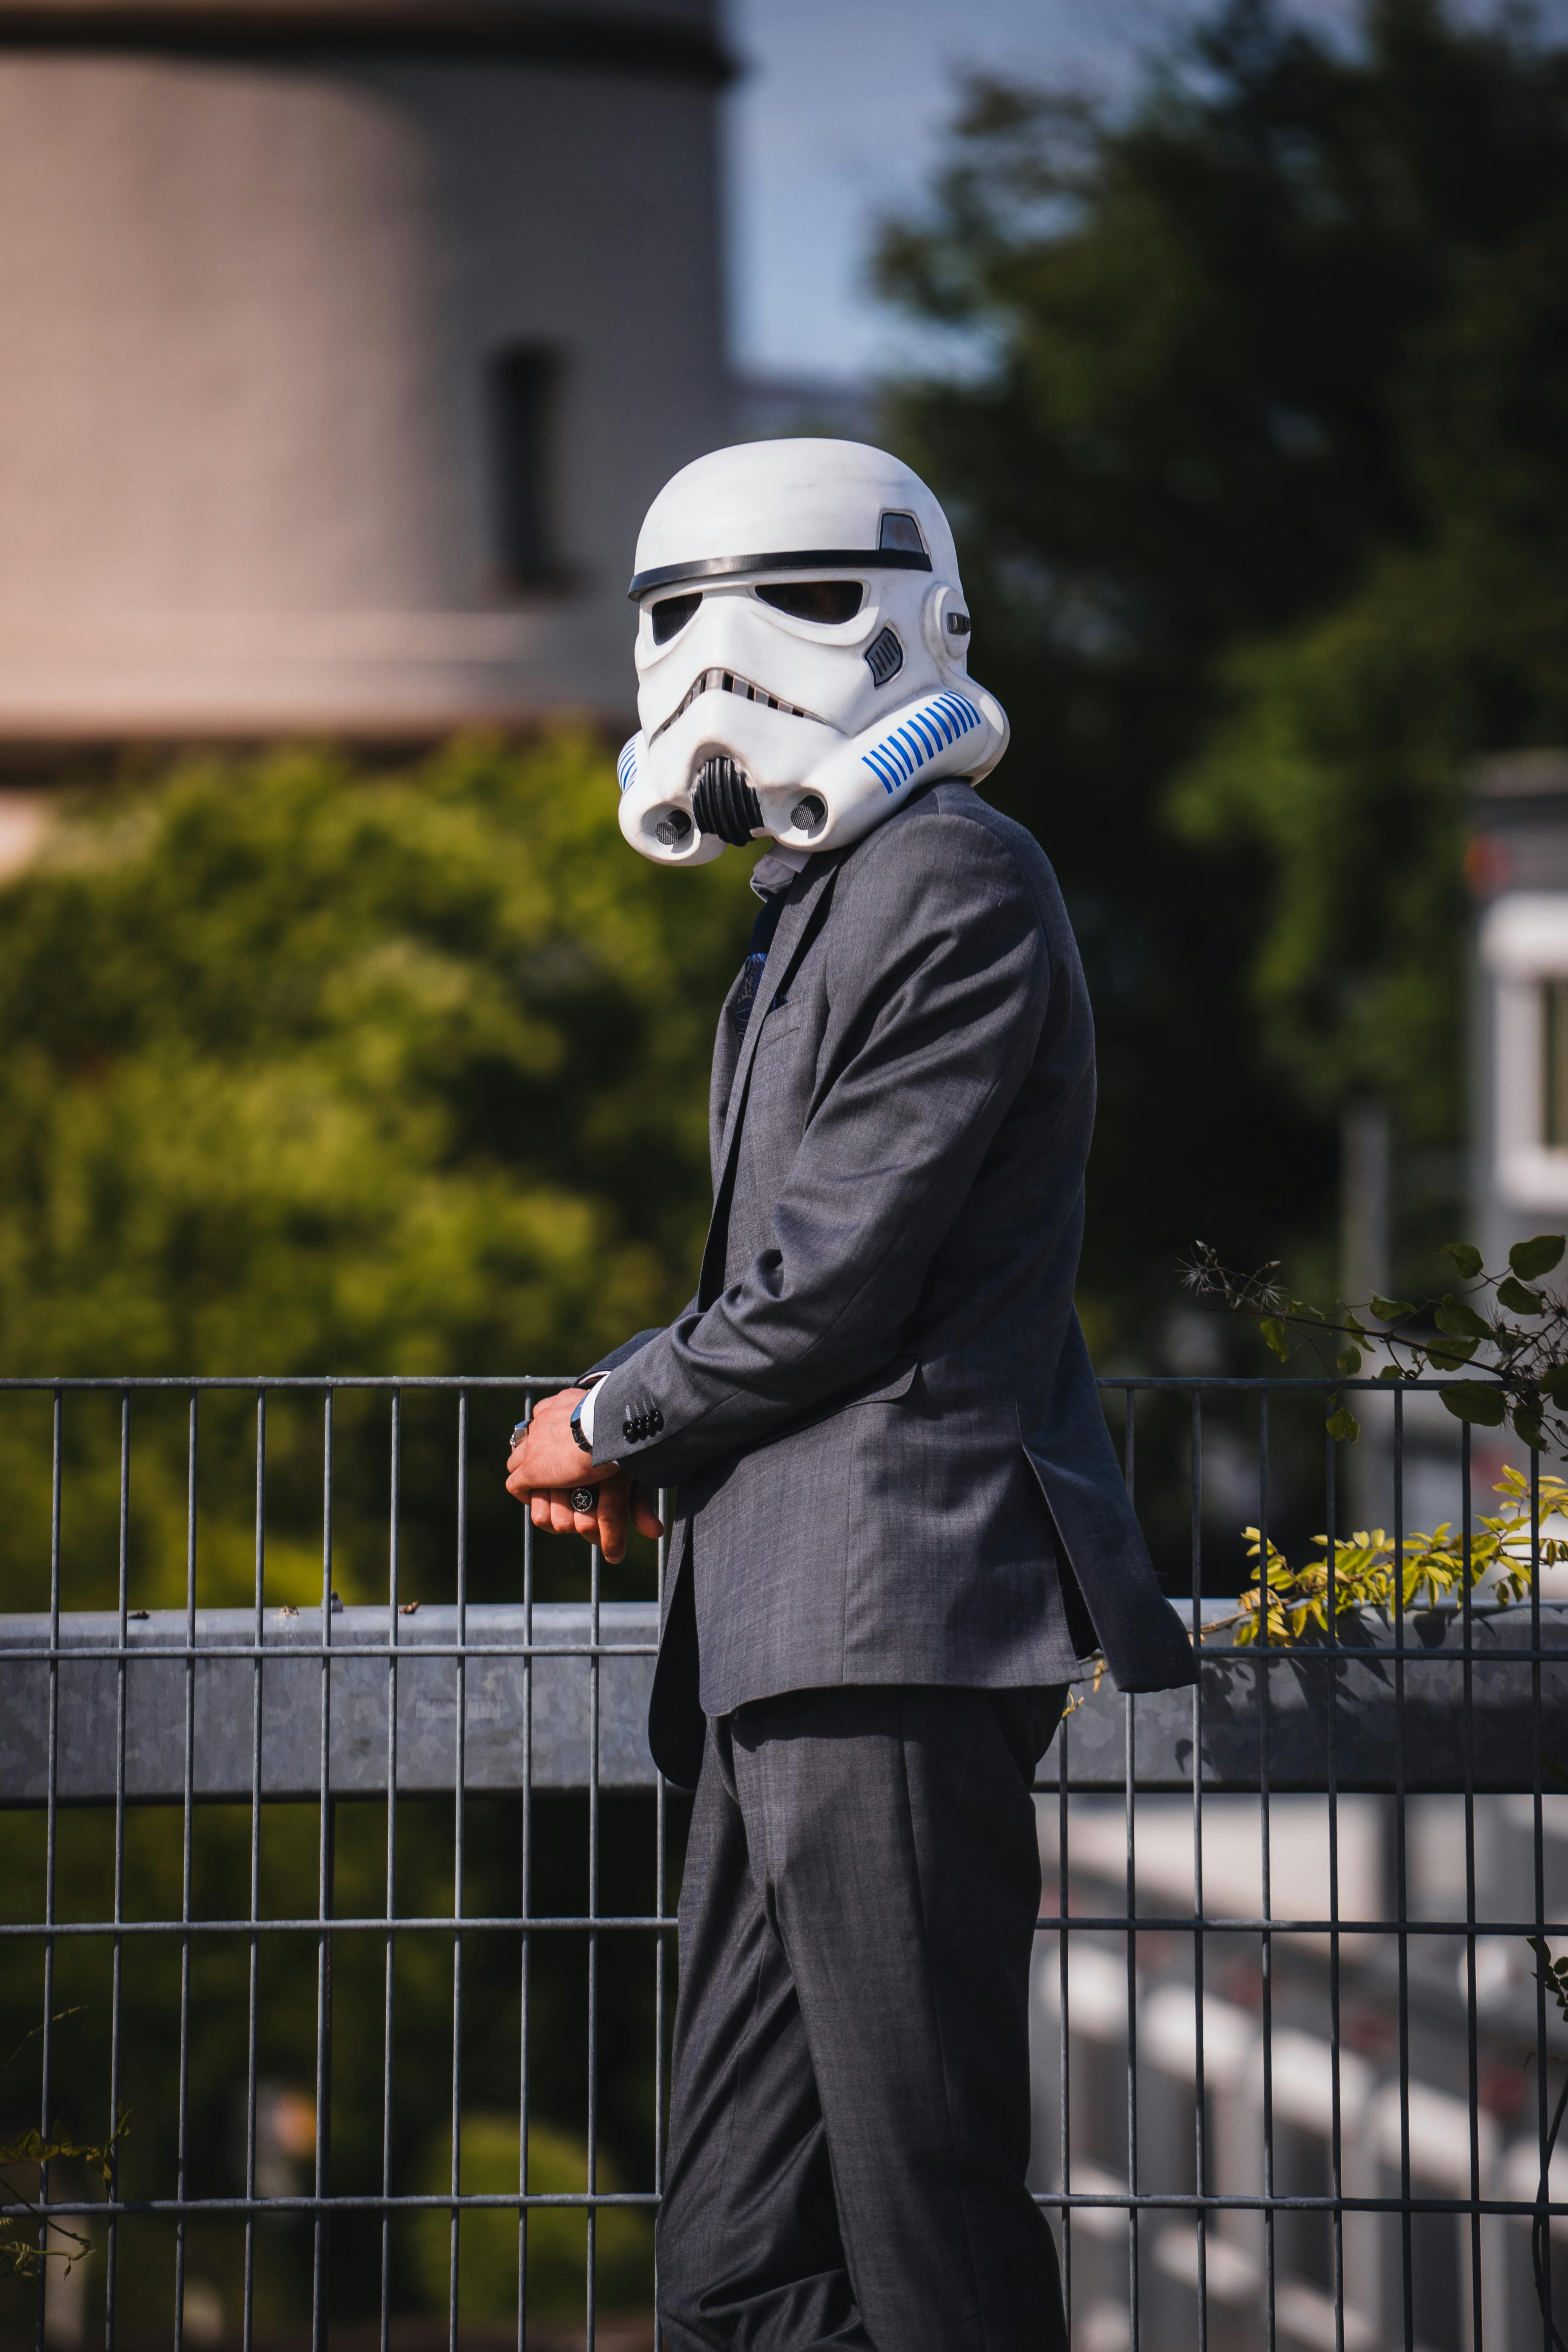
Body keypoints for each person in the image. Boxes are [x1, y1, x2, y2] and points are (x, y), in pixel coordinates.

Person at [506, 439, 1196, 2352]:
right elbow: (802, 1287)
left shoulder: (952, 879)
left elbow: (835, 1280)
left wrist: (620, 1416)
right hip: (777, 1641)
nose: (715, 664)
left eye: (777, 601)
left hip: (892, 1628)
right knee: (740, 2247)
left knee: (927, 2204)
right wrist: (680, 1434)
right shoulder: (822, 900)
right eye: (680, 621)